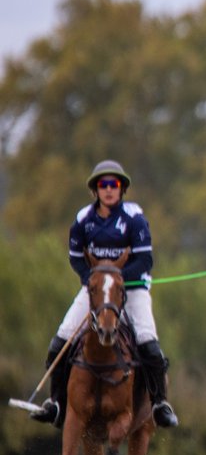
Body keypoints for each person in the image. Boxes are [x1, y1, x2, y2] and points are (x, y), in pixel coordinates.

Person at [30, 160, 179, 429]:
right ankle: (56, 403)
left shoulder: (134, 218)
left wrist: (116, 278)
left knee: (148, 343)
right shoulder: (83, 220)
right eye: (103, 185)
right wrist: (94, 280)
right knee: (60, 341)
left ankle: (159, 404)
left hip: (132, 290)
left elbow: (145, 261)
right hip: (96, 291)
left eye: (115, 184)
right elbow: (76, 259)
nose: (109, 189)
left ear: (121, 189)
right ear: (95, 190)